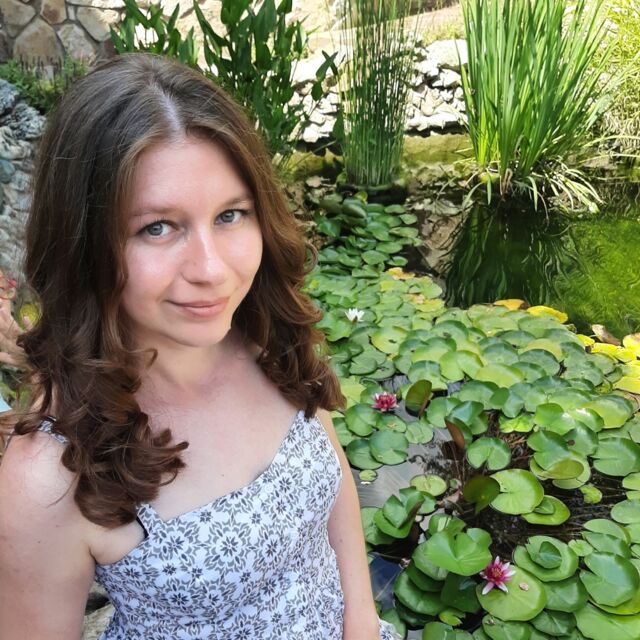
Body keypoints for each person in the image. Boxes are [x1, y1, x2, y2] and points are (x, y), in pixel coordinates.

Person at [0, 54, 399, 640]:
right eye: (157, 227)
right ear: (83, 245)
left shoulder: (263, 337)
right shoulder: (51, 473)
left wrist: (361, 620)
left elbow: (330, 477)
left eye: (231, 215)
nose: (212, 271)